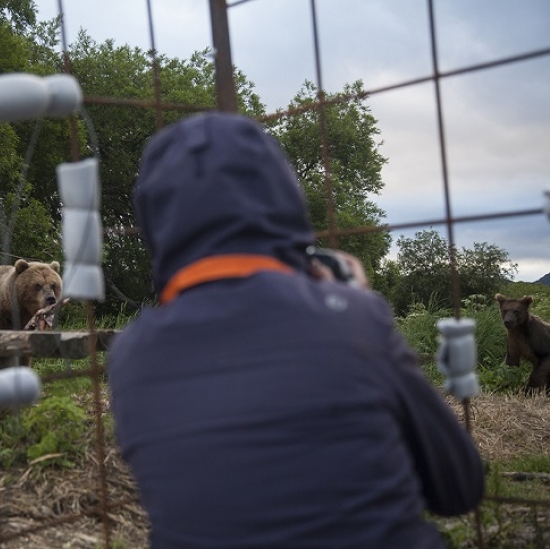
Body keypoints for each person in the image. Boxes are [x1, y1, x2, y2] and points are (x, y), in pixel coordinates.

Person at [106, 112, 485, 548]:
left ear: (155, 219)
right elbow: (460, 487)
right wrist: (356, 307)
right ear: (282, 197)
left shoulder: (129, 355)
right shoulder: (356, 318)